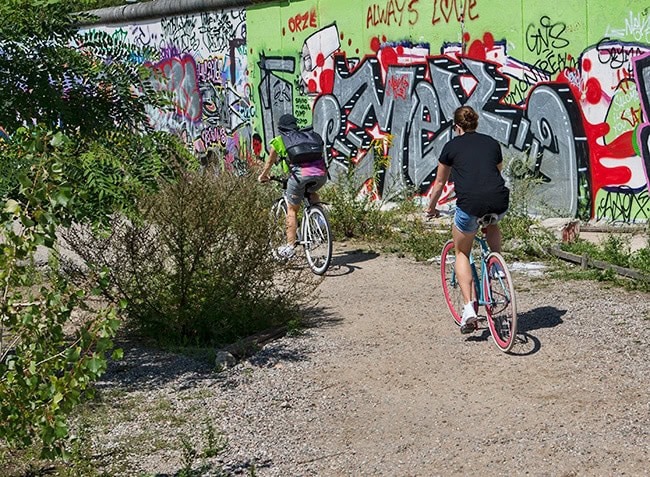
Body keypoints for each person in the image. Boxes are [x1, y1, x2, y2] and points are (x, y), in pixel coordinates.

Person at [425, 106, 510, 334]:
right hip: (499, 201)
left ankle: (469, 309)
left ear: (457, 127)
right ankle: (497, 265)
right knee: (492, 222)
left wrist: (431, 208)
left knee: (462, 252)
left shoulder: (451, 147)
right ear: (476, 124)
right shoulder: (491, 143)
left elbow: (440, 184)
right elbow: (496, 172)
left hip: (470, 204)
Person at [258, 113, 328, 258]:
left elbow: (270, 162)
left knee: (292, 210)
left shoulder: (279, 140)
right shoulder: (307, 136)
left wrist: (263, 175)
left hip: (299, 175)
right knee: (311, 191)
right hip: (321, 174)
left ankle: (290, 247)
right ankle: (319, 218)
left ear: (280, 127)